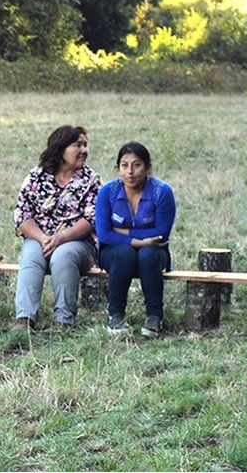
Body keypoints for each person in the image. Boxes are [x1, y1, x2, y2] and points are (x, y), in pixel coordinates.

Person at [13, 125, 100, 329]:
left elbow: (91, 219)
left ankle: (64, 320)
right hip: (40, 238)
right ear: (60, 149)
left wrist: (61, 238)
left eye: (86, 145)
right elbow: (22, 214)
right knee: (31, 256)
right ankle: (24, 318)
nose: (84, 150)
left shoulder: (91, 180)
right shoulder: (36, 177)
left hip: (79, 243)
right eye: (77, 145)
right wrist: (44, 238)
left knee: (63, 256)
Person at [95, 142, 176, 338]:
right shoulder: (108, 192)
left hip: (155, 250)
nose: (130, 172)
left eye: (136, 165)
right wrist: (138, 241)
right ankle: (115, 315)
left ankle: (154, 317)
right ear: (118, 168)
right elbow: (104, 234)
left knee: (147, 255)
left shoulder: (162, 192)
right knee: (125, 253)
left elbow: (161, 233)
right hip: (113, 252)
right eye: (124, 165)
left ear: (148, 167)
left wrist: (122, 232)